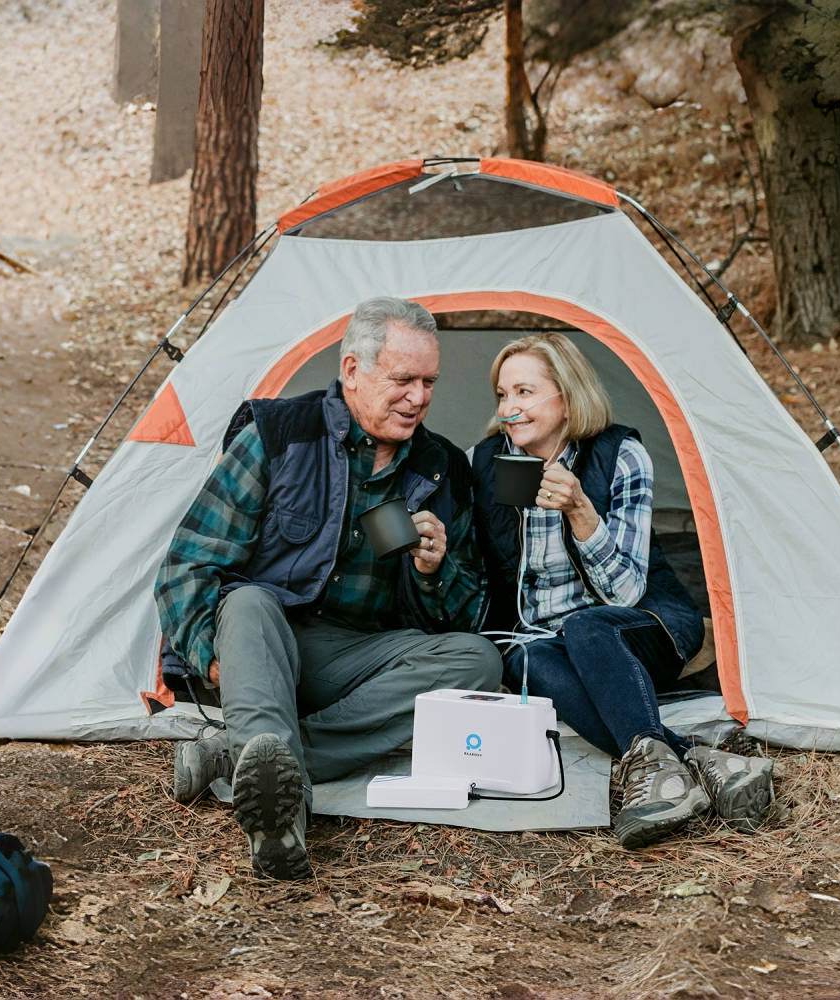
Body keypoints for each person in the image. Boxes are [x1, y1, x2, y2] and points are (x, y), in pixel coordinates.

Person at [155, 296, 501, 880]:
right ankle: (278, 815)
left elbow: (462, 620)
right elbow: (188, 567)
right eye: (402, 380)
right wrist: (217, 663)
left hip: (357, 659)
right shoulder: (279, 434)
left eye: (429, 382)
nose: (418, 398)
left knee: (478, 660)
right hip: (265, 647)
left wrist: (434, 570)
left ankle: (249, 755)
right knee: (247, 600)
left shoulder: (443, 468)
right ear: (351, 371)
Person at [471, 332, 772, 848]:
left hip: (636, 624)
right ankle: (698, 761)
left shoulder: (621, 454)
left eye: (524, 392)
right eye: (502, 395)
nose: (508, 409)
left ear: (566, 398)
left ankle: (668, 774)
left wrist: (581, 511)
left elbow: (626, 592)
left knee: (587, 626)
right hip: (543, 637)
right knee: (524, 661)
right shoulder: (484, 461)